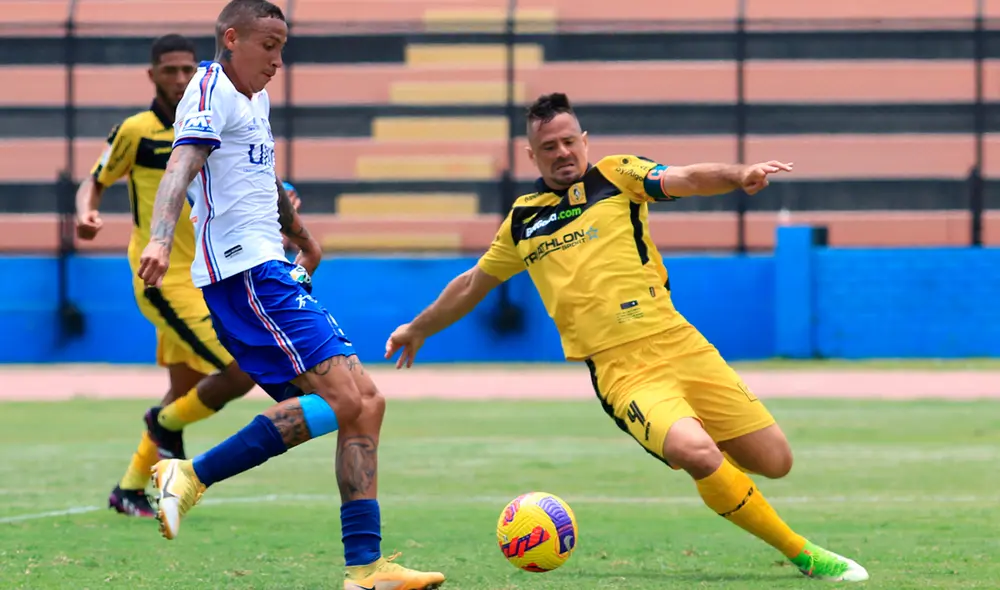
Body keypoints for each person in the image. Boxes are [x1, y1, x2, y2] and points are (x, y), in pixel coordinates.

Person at [384, 92, 869, 583]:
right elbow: (471, 284)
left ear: (584, 141)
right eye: (548, 146)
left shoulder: (617, 176)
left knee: (775, 461)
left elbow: (683, 177)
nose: (562, 152)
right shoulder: (523, 220)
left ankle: (705, 453)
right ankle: (803, 553)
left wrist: (736, 174)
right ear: (532, 155)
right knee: (696, 454)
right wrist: (417, 327)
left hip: (680, 343)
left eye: (569, 141)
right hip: (623, 372)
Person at [135, 2, 446, 589]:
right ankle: (189, 475)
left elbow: (264, 175)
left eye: (283, 45)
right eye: (269, 44)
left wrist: (301, 235)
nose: (279, 60)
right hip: (245, 275)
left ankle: (366, 568)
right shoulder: (209, 90)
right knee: (348, 401)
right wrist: (157, 238)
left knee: (366, 403)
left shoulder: (255, 98)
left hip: (272, 268)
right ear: (232, 38)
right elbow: (181, 164)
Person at [75, 33, 256, 519]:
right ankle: (164, 424)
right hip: (164, 281)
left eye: (187, 71)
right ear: (151, 74)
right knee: (243, 368)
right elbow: (93, 182)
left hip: (209, 276)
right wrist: (87, 213)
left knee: (184, 388)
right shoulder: (136, 131)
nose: (179, 79)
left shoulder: (210, 121)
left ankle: (130, 488)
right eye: (169, 70)